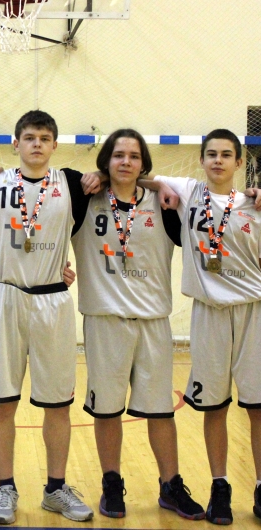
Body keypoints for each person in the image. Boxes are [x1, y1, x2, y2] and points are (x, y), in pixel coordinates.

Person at [0, 110, 99, 524]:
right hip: (7, 299)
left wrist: (101, 176)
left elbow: (124, 178)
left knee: (58, 405)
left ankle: (55, 489)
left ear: (55, 145)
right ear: (15, 144)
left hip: (53, 301)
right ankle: (6, 489)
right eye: (30, 137)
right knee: (4, 403)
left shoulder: (73, 183)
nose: (37, 144)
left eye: (45, 138)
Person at [70, 129, 205, 520]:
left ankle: (171, 486)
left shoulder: (165, 202)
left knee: (160, 411)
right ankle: (111, 484)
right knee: (107, 411)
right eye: (118, 155)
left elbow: (211, 199)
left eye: (133, 156)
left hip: (153, 321)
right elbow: (48, 185)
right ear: (106, 161)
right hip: (104, 320)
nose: (125, 162)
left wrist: (158, 183)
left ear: (143, 163)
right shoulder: (85, 199)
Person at [144, 129, 261, 525]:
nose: (218, 160)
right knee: (216, 406)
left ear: (239, 163)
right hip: (209, 313)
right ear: (201, 159)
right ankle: (220, 487)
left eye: (226, 155)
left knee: (258, 409)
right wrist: (161, 186)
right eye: (211, 154)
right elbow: (140, 177)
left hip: (254, 312)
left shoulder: (254, 204)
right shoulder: (189, 191)